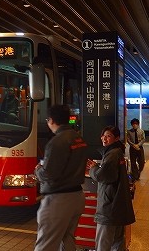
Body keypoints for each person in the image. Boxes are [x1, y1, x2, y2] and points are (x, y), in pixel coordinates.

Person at [34, 105, 88, 251]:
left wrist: (38, 170)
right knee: (67, 239)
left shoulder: (56, 142)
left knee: (46, 244)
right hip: (77, 196)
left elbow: (49, 174)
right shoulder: (79, 138)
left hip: (59, 200)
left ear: (51, 120)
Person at [87, 126, 135, 251]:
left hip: (109, 206)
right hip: (117, 205)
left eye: (108, 136)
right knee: (117, 242)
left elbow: (103, 176)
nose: (104, 138)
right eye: (103, 135)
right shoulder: (117, 152)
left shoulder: (112, 154)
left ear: (117, 138)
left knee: (103, 243)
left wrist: (93, 168)